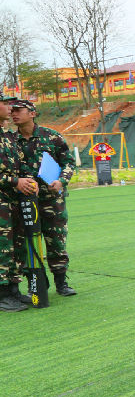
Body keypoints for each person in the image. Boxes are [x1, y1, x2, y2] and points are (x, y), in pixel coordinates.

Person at [10, 99, 77, 298]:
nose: (14, 114)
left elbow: (68, 163)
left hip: (51, 199)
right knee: (25, 243)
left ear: (32, 113)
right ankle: (35, 283)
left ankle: (61, 282)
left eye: (19, 110)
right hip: (23, 200)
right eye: (12, 111)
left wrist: (61, 181)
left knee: (56, 240)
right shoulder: (10, 140)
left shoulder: (51, 137)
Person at [0, 94, 29, 312]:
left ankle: (12, 290)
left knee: (14, 247)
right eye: (5, 104)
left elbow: (18, 165)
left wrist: (27, 180)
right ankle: (2, 295)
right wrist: (15, 181)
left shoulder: (8, 136)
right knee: (2, 248)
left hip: (12, 202)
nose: (10, 108)